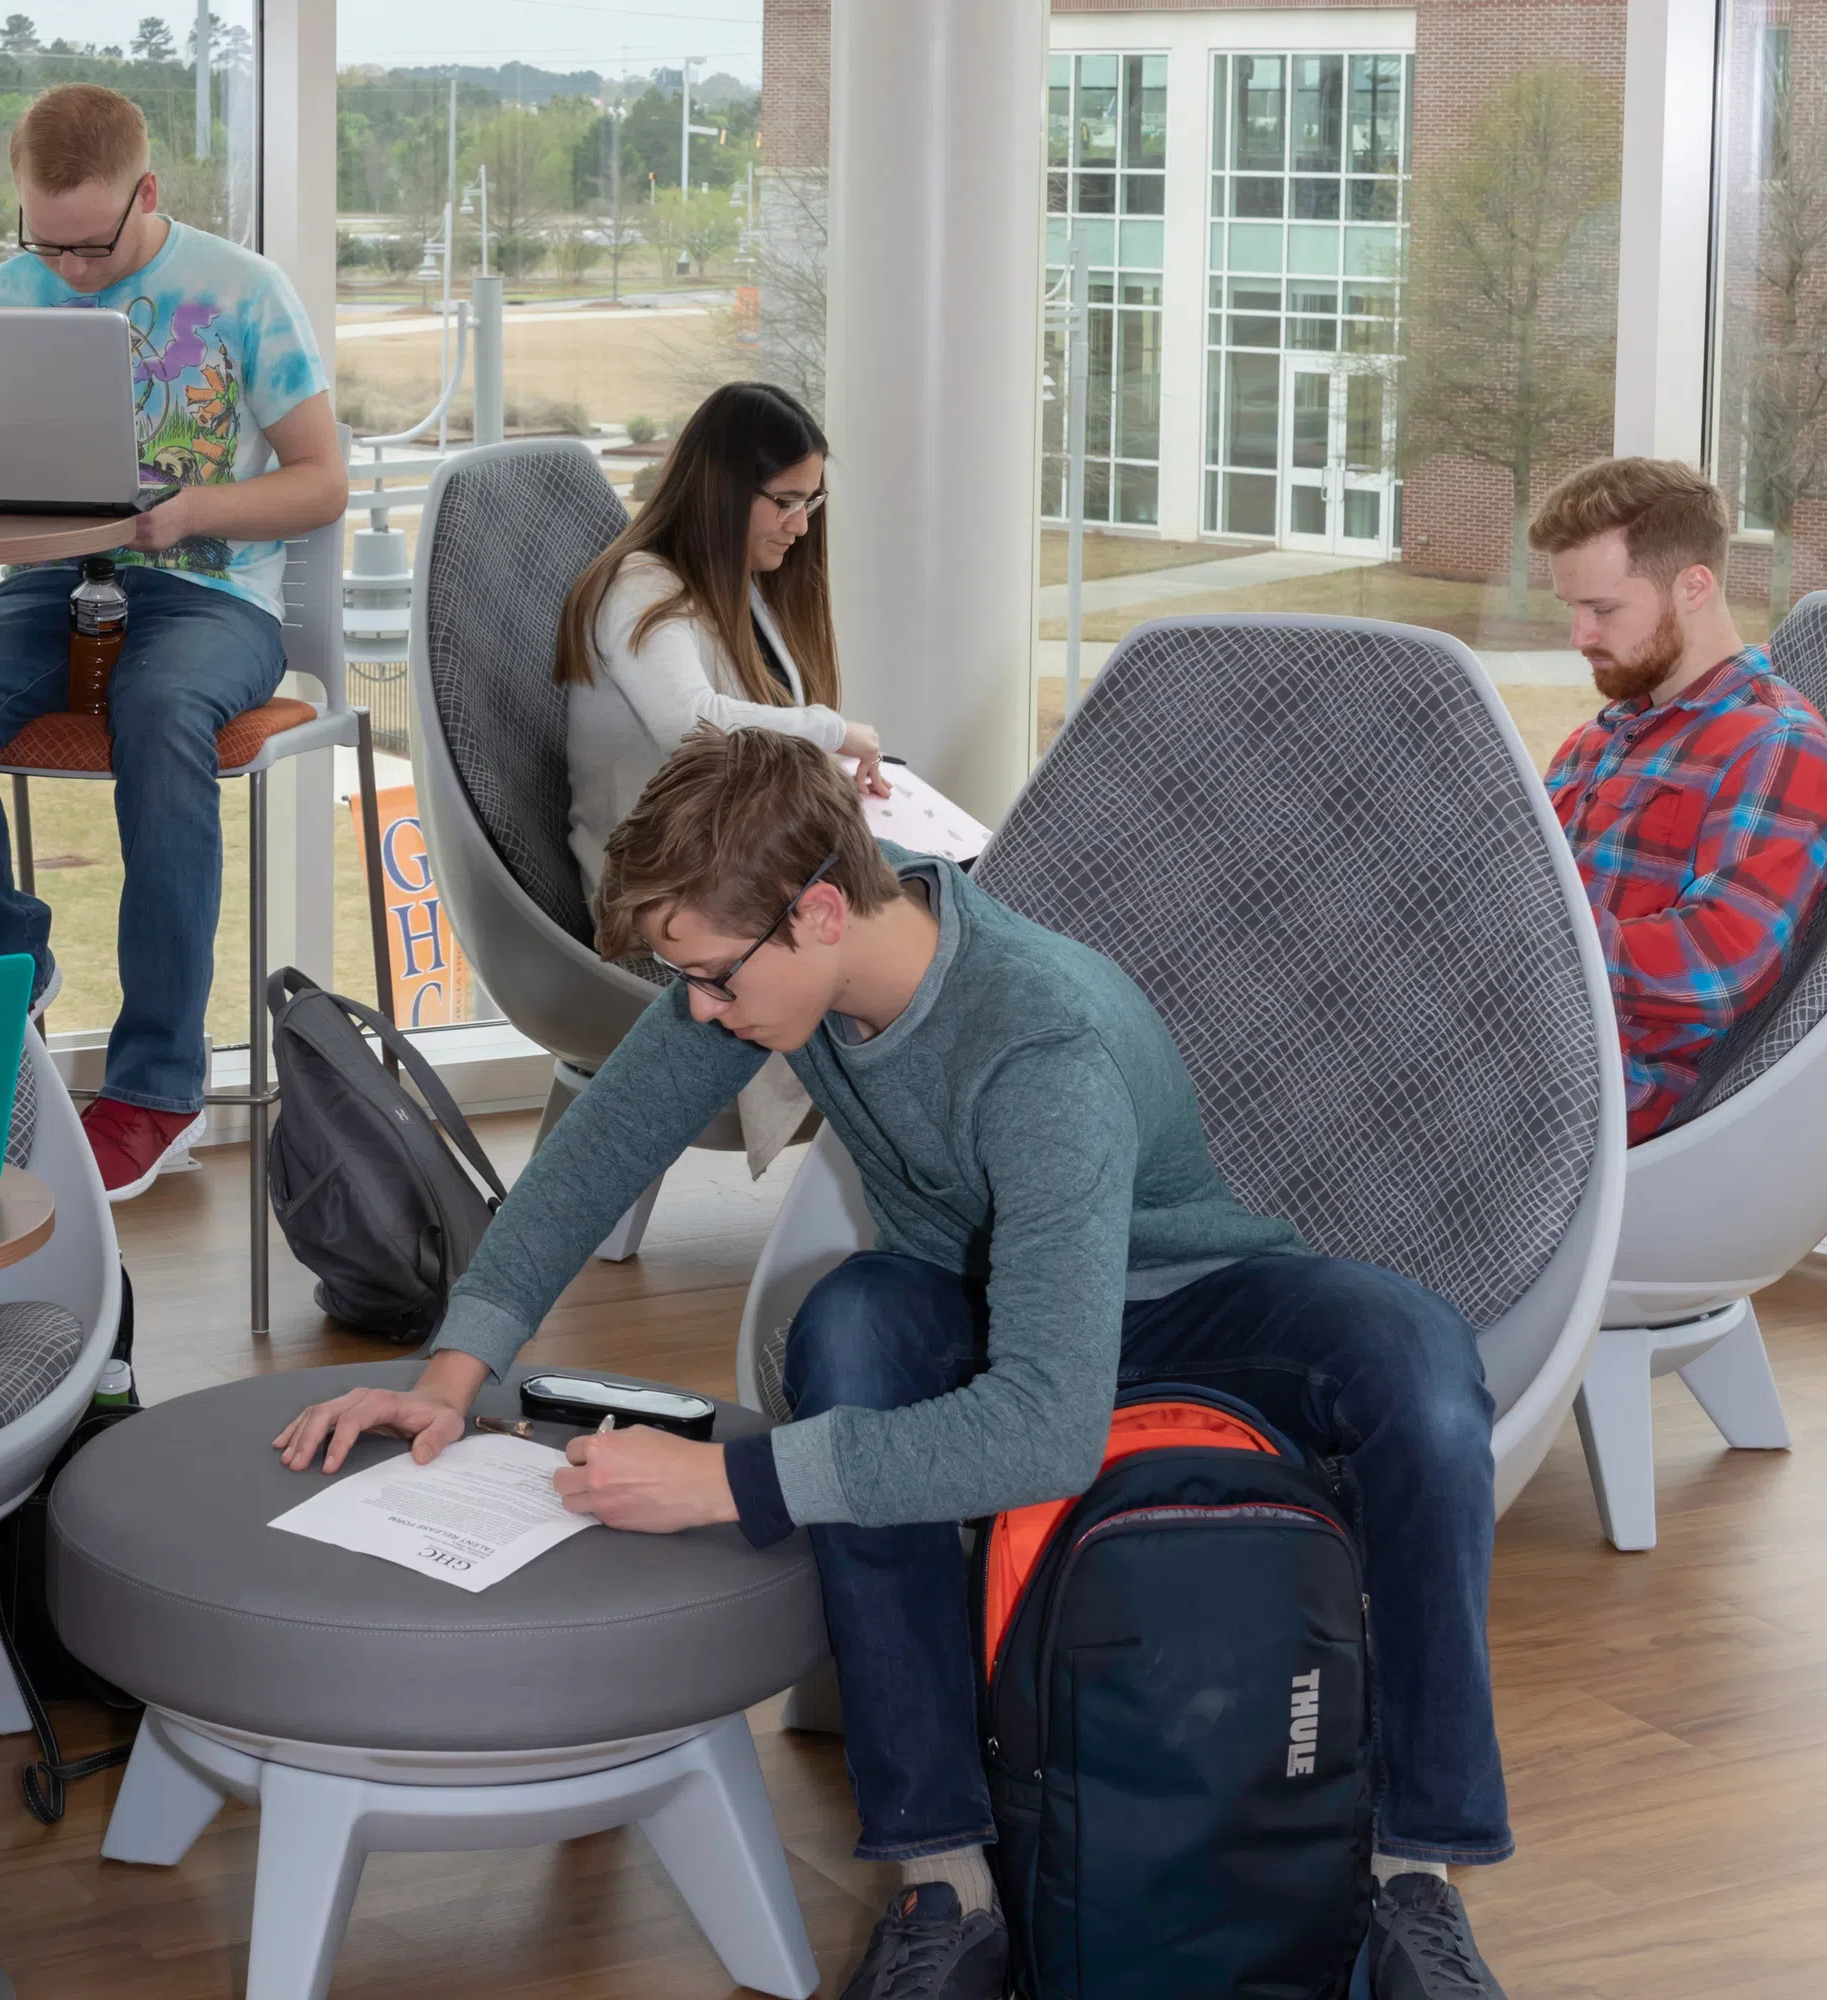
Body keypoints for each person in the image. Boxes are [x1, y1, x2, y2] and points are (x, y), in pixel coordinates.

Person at [271, 729, 1518, 2000]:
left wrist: (728, 1483)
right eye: (684, 977)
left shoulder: (1039, 1047)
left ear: (816, 911)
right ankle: (946, 1884)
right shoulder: (793, 941)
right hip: (975, 1293)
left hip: (1188, 1291)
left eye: (708, 978)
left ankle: (1420, 1875)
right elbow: (600, 1151)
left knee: (1418, 1364)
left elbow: (1046, 1427)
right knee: (850, 1327)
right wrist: (451, 1371)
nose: (698, 1008)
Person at [0, 82, 347, 1201]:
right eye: (50, 243)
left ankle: (156, 1086)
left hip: (211, 593)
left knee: (161, 712)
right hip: (49, 587)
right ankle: (7, 968)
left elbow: (322, 481)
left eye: (93, 245)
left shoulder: (245, 291)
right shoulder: (4, 296)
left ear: (148, 193)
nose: (73, 270)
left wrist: (185, 512)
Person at [1536, 456, 1827, 1140]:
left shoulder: (1776, 746)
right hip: (1512, 1033)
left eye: (1604, 609)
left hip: (1588, 1088)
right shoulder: (1601, 738)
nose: (1579, 637)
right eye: (1573, 609)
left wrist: (1527, 947)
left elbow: (1721, 963)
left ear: (1694, 586)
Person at [556, 378, 889, 904]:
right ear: (722, 489)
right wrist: (830, 731)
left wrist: (821, 770)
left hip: (738, 866)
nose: (801, 525)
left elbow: (752, 744)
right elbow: (690, 727)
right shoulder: (640, 586)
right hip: (667, 898)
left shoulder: (741, 586)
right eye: (785, 501)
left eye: (810, 501)